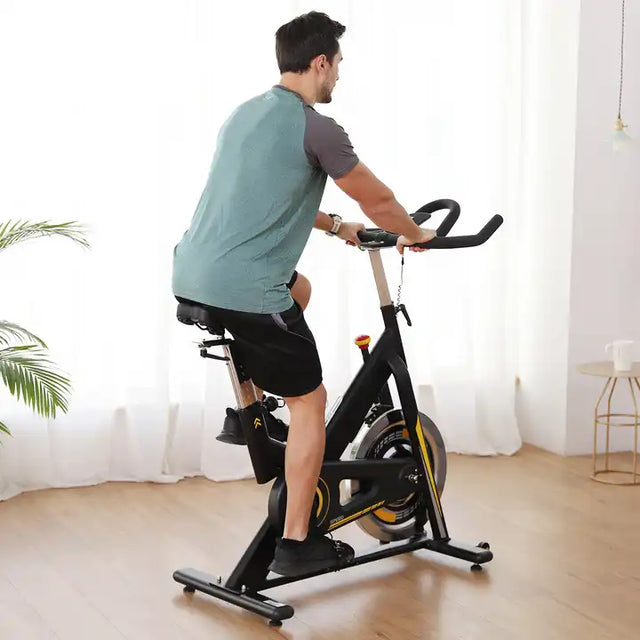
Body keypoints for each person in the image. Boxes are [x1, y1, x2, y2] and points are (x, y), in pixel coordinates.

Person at [172, 11, 435, 577]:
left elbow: (264, 193)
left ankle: (249, 410)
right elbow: (379, 201)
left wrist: (337, 227)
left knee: (301, 288)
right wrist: (416, 235)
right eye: (337, 64)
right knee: (310, 401)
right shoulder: (318, 128)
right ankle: (296, 542)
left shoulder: (245, 114)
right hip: (246, 287)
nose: (338, 75)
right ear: (320, 63)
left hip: (193, 271)